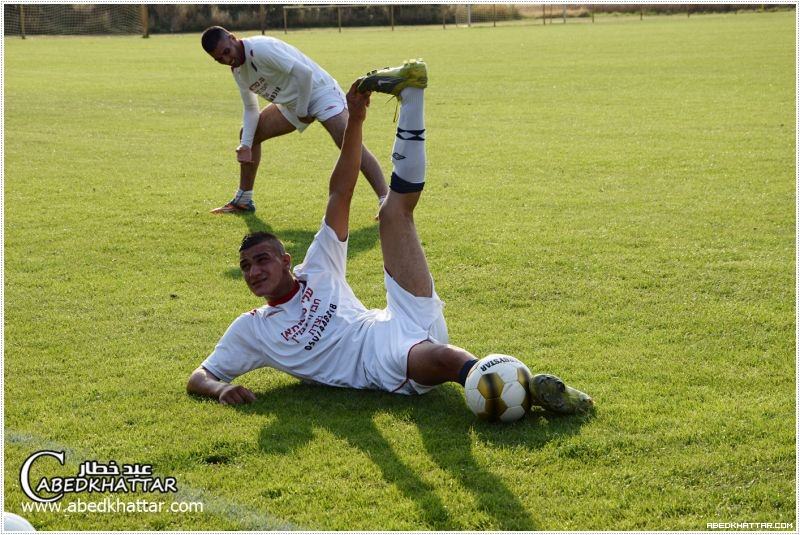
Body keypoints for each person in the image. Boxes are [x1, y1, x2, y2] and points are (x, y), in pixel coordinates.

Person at [187, 61, 593, 415]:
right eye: (246, 267)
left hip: (392, 319)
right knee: (446, 358)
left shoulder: (319, 267)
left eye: (261, 260)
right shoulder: (253, 329)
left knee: (393, 211)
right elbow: (199, 376)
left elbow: (340, 191)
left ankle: (412, 93)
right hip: (374, 360)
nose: (253, 271)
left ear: (286, 260)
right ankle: (511, 385)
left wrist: (356, 121)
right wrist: (221, 387)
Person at [200, 26, 388, 214]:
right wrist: (246, 145)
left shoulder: (261, 49)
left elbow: (304, 74)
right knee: (248, 134)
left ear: (232, 38)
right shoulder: (238, 71)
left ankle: (386, 201)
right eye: (219, 59)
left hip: (319, 92)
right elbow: (251, 108)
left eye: (226, 52)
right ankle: (243, 200)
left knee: (348, 140)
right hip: (293, 105)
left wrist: (301, 109)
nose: (226, 59)